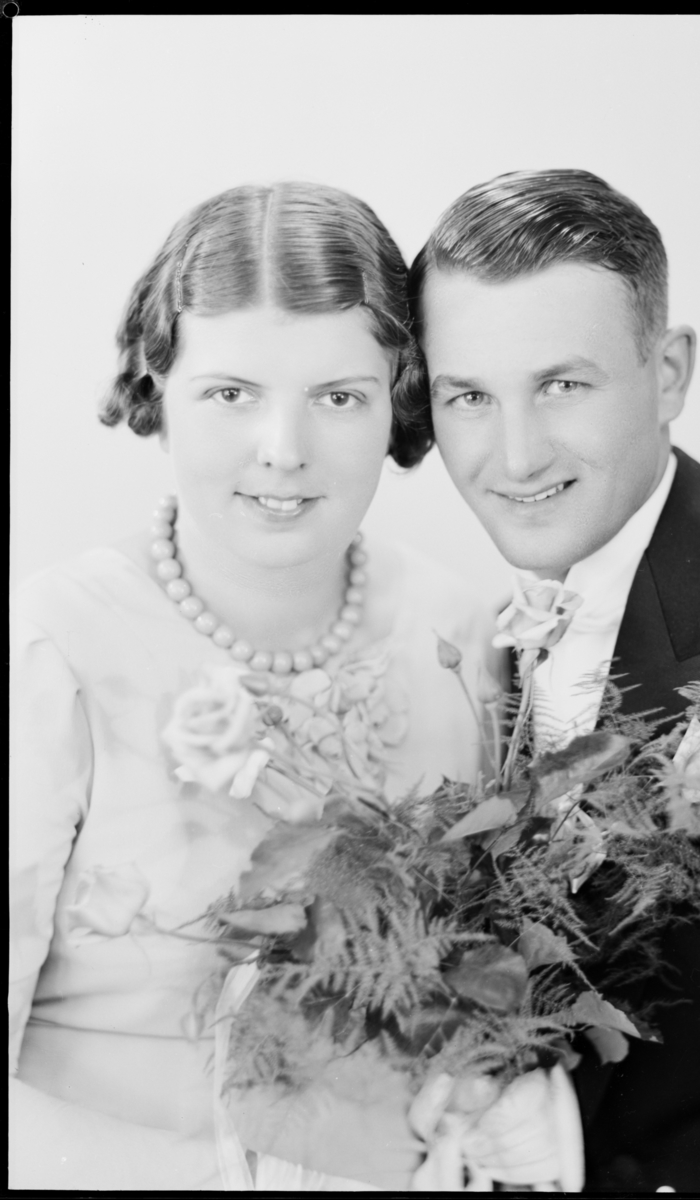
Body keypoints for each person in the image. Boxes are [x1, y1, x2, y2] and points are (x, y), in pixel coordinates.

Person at [9, 181, 501, 1190]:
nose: (283, 450)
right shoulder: (53, 648)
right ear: (158, 385)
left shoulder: (455, 634)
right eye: (231, 393)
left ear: (398, 397)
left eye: (338, 397)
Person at [408, 169, 700, 1193]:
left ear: (669, 372)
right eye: (468, 397)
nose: (515, 456)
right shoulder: (478, 652)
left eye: (562, 385)